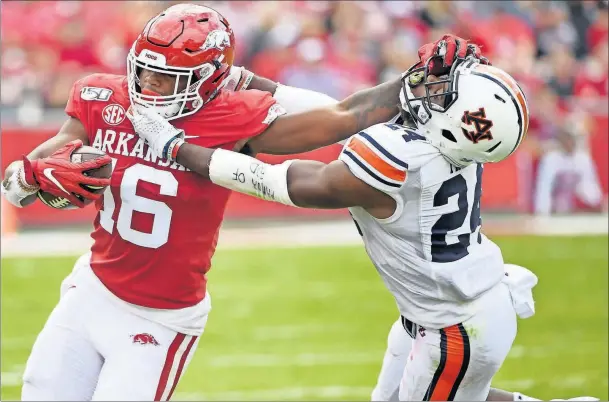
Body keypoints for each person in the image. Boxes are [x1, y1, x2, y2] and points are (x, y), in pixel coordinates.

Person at [0, 4, 474, 401]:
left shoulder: (230, 116)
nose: (148, 86)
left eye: (165, 78)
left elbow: (341, 116)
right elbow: (20, 181)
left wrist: (411, 84)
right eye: (143, 71)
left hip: (159, 317)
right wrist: (31, 174)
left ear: (208, 79)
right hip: (89, 291)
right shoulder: (102, 96)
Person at [130, 53, 596, 401]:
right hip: (447, 312)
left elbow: (286, 182)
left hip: (454, 328)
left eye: (445, 95)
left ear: (458, 127)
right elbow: (340, 112)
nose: (430, 91)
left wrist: (178, 149)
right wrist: (250, 81)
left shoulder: (408, 159)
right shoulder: (444, 145)